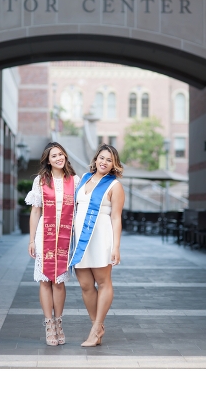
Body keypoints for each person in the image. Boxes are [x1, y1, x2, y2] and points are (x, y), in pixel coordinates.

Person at [69, 143, 125, 347]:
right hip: (81, 240)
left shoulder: (114, 186)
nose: (104, 162)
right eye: (102, 158)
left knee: (103, 282)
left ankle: (96, 328)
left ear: (114, 164)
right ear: (95, 159)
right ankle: (97, 327)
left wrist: (116, 246)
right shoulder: (84, 179)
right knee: (85, 284)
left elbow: (116, 218)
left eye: (109, 160)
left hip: (101, 237)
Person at [26, 142, 79, 346]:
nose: (58, 158)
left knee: (59, 281)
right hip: (44, 235)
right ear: (48, 160)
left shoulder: (75, 181)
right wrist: (31, 240)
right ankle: (49, 324)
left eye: (61, 154)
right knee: (45, 280)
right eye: (54, 155)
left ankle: (59, 322)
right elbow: (36, 211)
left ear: (65, 156)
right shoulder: (40, 181)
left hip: (65, 236)